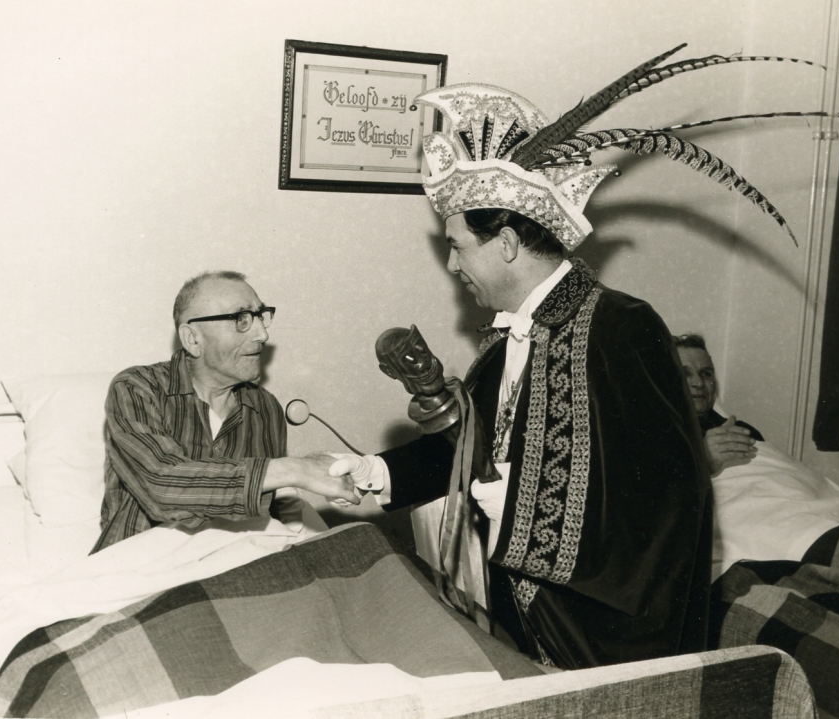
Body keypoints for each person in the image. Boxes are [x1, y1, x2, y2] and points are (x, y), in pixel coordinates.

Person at [331, 80, 715, 670]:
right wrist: (378, 472)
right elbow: (467, 447)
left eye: (458, 246)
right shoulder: (505, 340)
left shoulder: (623, 326)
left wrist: (522, 506)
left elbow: (668, 499)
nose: (452, 264)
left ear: (507, 244)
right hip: (524, 621)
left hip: (602, 635)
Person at [91, 271, 361, 553]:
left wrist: (328, 477)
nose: (263, 334)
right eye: (241, 319)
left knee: (362, 546)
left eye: (261, 316)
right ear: (193, 339)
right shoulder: (138, 387)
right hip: (141, 565)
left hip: (234, 564)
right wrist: (296, 469)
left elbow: (271, 513)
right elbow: (164, 486)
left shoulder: (265, 408)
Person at [672, 334, 762, 476]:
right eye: (685, 374)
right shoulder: (652, 435)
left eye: (706, 374)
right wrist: (702, 461)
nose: (699, 383)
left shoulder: (742, 431)